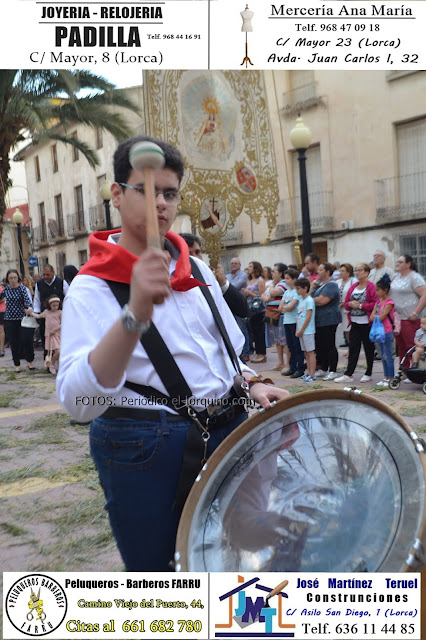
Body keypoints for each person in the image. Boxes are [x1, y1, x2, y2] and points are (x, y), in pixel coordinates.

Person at [56, 135, 288, 572]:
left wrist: (252, 383)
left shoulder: (195, 267)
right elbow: (79, 403)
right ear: (117, 194)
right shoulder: (91, 286)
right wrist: (134, 314)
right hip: (144, 445)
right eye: (146, 190)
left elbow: (223, 354)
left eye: (170, 193)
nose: (160, 203)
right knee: (160, 577)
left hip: (226, 429)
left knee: (230, 560)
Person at [335, 263, 378, 384]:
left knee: (368, 348)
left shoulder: (371, 287)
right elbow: (346, 302)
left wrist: (360, 306)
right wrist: (350, 304)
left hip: (366, 323)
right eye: (356, 270)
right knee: (353, 348)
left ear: (367, 272)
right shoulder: (354, 286)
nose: (357, 272)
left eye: (360, 270)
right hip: (354, 322)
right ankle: (349, 374)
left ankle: (368, 373)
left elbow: (375, 304)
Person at [390, 254, 426, 371]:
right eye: (397, 262)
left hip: (410, 318)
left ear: (408, 264)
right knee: (401, 346)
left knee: (411, 345)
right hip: (397, 318)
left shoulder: (414, 277)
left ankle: (415, 370)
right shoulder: (395, 276)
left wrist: (415, 312)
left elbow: (424, 295)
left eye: (400, 262)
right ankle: (404, 371)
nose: (397, 264)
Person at [311, 262, 342, 381]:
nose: (318, 272)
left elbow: (322, 300)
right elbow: (310, 297)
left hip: (329, 319)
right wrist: (312, 288)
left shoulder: (331, 285)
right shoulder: (319, 285)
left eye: (320, 270)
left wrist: (311, 300)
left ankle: (333, 370)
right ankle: (323, 368)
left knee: (329, 345)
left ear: (327, 272)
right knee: (320, 345)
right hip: (319, 320)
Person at [0, 269, 34, 372]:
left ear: (18, 278)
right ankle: (17, 364)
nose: (13, 280)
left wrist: (29, 308)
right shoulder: (6, 290)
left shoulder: (22, 289)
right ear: (7, 279)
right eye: (11, 278)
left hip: (22, 318)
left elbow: (28, 301)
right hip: (9, 319)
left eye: (14, 277)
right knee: (13, 341)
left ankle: (29, 361)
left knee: (26, 339)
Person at [33, 265, 69, 360]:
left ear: (53, 273)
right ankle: (47, 358)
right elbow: (37, 299)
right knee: (45, 337)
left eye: (47, 274)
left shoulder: (61, 283)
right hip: (45, 316)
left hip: (59, 316)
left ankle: (61, 357)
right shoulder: (39, 284)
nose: (45, 277)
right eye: (44, 274)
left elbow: (68, 297)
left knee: (60, 338)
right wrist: (36, 312)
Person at [369, 274, 395, 386]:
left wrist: (376, 316)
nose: (376, 292)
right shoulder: (378, 303)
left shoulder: (389, 303)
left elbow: (381, 317)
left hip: (387, 331)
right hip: (378, 332)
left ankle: (391, 377)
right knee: (382, 355)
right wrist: (376, 316)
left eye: (378, 290)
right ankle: (385, 377)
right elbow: (371, 317)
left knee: (388, 355)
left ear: (385, 290)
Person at [262, 262, 288, 371]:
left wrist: (271, 287)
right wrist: (268, 298)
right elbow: (263, 296)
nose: (271, 273)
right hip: (272, 315)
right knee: (277, 340)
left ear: (280, 273)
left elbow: (273, 293)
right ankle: (280, 362)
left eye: (274, 271)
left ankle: (288, 364)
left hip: (280, 315)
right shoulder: (274, 284)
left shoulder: (283, 283)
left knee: (284, 341)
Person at [29, 295, 62, 375]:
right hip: (49, 334)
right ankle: (52, 364)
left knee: (59, 351)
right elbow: (39, 316)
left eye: (57, 305)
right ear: (49, 305)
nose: (55, 307)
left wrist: (55, 329)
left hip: (57, 334)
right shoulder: (46, 312)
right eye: (53, 306)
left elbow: (63, 323)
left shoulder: (60, 312)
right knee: (53, 350)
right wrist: (31, 313)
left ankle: (54, 364)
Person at [281, 268, 304, 378]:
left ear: (295, 279)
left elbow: (290, 307)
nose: (286, 281)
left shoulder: (296, 292)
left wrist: (286, 307)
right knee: (290, 346)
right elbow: (280, 307)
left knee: (297, 345)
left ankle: (300, 368)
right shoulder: (286, 292)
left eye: (288, 278)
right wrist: (286, 307)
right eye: (285, 278)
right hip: (287, 321)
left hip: (295, 321)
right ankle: (292, 367)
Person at [226, 257, 250, 362]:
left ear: (240, 265)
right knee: (232, 328)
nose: (233, 265)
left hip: (239, 304)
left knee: (242, 328)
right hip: (228, 304)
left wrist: (226, 285)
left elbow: (235, 286)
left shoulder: (243, 275)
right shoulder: (227, 276)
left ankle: (245, 352)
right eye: (232, 263)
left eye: (235, 263)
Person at [243, 261, 266, 363]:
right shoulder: (249, 281)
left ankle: (262, 353)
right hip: (250, 308)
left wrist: (250, 293)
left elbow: (262, 295)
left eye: (251, 266)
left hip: (258, 309)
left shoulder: (260, 280)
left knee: (260, 331)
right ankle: (257, 352)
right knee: (254, 332)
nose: (249, 268)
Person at [295, 277, 316, 382]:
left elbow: (308, 317)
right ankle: (308, 373)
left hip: (308, 330)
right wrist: (297, 329)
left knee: (310, 352)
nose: (297, 290)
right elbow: (298, 316)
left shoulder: (309, 300)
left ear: (305, 288)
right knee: (305, 352)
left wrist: (302, 330)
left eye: (298, 288)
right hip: (301, 330)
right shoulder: (301, 300)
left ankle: (312, 374)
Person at [336, 263, 356, 349]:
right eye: (340, 271)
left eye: (343, 271)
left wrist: (345, 302)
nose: (341, 273)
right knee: (346, 330)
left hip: (350, 308)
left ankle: (353, 348)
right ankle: (350, 347)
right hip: (340, 309)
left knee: (351, 330)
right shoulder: (337, 282)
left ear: (348, 272)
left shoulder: (353, 281)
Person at [0, 280, 5, 356]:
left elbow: (4, 298)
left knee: (1, 329)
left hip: (1, 310)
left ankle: (1, 349)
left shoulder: (0, 288)